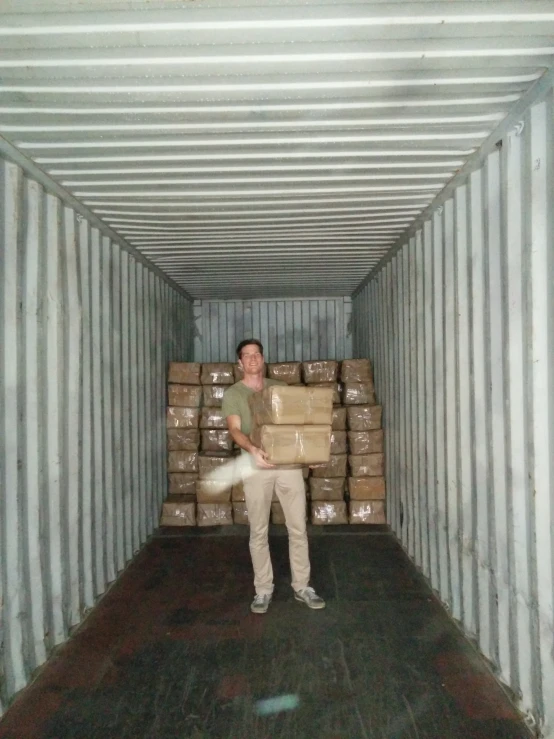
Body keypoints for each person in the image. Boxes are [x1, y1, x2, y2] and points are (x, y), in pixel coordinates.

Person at [222, 339, 326, 614]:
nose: (253, 359)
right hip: (256, 467)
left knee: (298, 528)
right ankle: (263, 590)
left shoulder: (280, 389)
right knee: (258, 530)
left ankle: (302, 586)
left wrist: (309, 454)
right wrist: (253, 450)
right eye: (247, 355)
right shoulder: (234, 394)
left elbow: (297, 426)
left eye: (257, 354)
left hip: (288, 467)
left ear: (263, 358)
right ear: (240, 363)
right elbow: (234, 430)